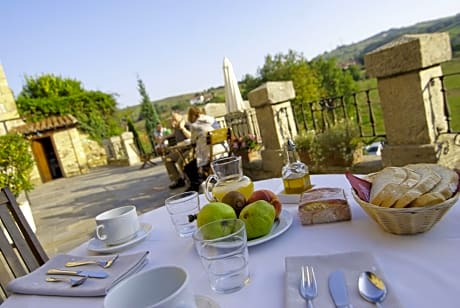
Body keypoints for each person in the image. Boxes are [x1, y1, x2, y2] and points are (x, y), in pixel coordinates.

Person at [183, 106, 225, 192]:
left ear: (192, 116)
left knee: (188, 167)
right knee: (192, 165)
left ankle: (196, 187)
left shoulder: (195, 126)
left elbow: (193, 141)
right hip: (223, 150)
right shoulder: (212, 120)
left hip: (210, 154)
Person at [163, 112, 192, 189]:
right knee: (167, 159)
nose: (173, 121)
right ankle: (178, 180)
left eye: (175, 119)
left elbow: (191, 136)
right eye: (172, 119)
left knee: (180, 161)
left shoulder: (186, 124)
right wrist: (164, 138)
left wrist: (183, 128)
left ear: (180, 117)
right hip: (180, 149)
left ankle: (190, 180)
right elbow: (173, 135)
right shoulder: (176, 127)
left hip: (190, 149)